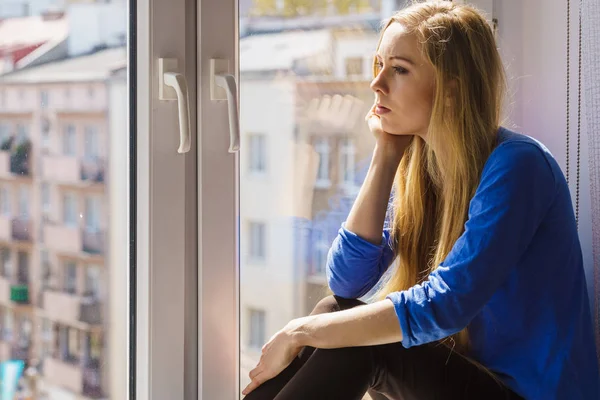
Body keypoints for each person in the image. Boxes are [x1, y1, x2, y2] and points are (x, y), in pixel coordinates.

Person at [242, 1, 600, 399]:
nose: (376, 84)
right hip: (472, 380)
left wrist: (299, 331)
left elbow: (445, 305)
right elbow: (347, 281)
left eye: (398, 69)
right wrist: (385, 156)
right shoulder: (428, 173)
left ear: (451, 88)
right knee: (332, 311)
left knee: (358, 340)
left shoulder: (519, 167)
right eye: (378, 65)